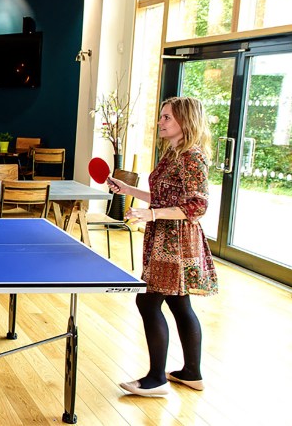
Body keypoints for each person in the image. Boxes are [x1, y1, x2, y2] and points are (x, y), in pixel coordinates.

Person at [107, 96, 218, 396]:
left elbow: (197, 206)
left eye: (167, 117)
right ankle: (192, 373)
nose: (161, 122)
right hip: (164, 237)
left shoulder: (192, 157)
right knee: (179, 303)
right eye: (161, 117)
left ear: (185, 121)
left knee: (148, 301)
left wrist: (151, 214)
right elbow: (165, 196)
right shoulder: (172, 153)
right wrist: (129, 190)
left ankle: (157, 379)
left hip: (177, 243)